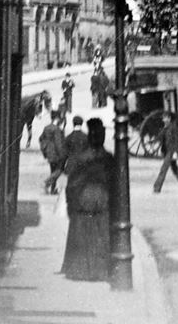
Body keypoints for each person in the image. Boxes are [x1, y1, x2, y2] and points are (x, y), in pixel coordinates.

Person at [61, 118, 115, 281]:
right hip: (102, 201)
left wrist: (71, 203)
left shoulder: (81, 158)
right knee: (101, 237)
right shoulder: (108, 158)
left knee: (82, 237)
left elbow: (72, 184)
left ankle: (81, 271)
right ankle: (100, 271)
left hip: (83, 202)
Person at [153, 110, 178, 193]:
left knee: (163, 169)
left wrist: (176, 152)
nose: (163, 120)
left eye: (165, 118)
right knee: (175, 169)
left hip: (171, 151)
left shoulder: (173, 128)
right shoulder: (165, 127)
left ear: (169, 118)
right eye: (163, 118)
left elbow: (177, 140)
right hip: (167, 151)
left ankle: (157, 187)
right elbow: (160, 137)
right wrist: (153, 142)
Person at [40, 109, 66, 194]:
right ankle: (47, 182)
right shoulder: (56, 129)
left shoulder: (46, 127)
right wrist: (62, 154)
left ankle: (53, 189)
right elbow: (58, 143)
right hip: (56, 153)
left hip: (48, 153)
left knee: (53, 170)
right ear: (57, 118)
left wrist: (44, 149)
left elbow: (41, 139)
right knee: (59, 169)